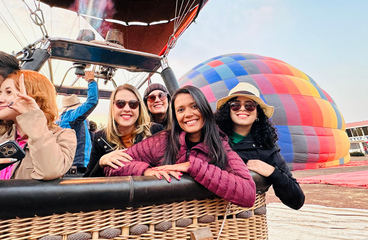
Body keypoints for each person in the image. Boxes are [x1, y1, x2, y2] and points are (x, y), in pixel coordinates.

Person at [105, 85, 256, 208]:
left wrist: (192, 166)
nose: (188, 114)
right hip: (162, 224)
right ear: (176, 116)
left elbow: (248, 193)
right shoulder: (162, 141)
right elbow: (111, 168)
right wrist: (145, 171)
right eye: (181, 110)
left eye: (194, 106)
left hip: (201, 223)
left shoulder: (220, 146)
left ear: (204, 109)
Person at [214, 82, 305, 210]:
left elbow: (297, 201)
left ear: (257, 113)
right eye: (235, 105)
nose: (242, 109)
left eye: (249, 106)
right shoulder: (212, 139)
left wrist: (272, 172)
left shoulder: (267, 149)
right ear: (228, 111)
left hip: (245, 220)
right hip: (206, 215)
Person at [84, 84, 163, 177]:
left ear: (139, 108)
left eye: (133, 104)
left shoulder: (155, 131)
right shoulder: (100, 138)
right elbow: (88, 181)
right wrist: (101, 162)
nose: (127, 109)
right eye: (120, 104)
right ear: (113, 106)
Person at [58, 70, 99, 173]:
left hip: (71, 165)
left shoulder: (62, 119)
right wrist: (91, 81)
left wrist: (91, 132)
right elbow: (92, 101)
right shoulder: (72, 116)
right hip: (77, 166)